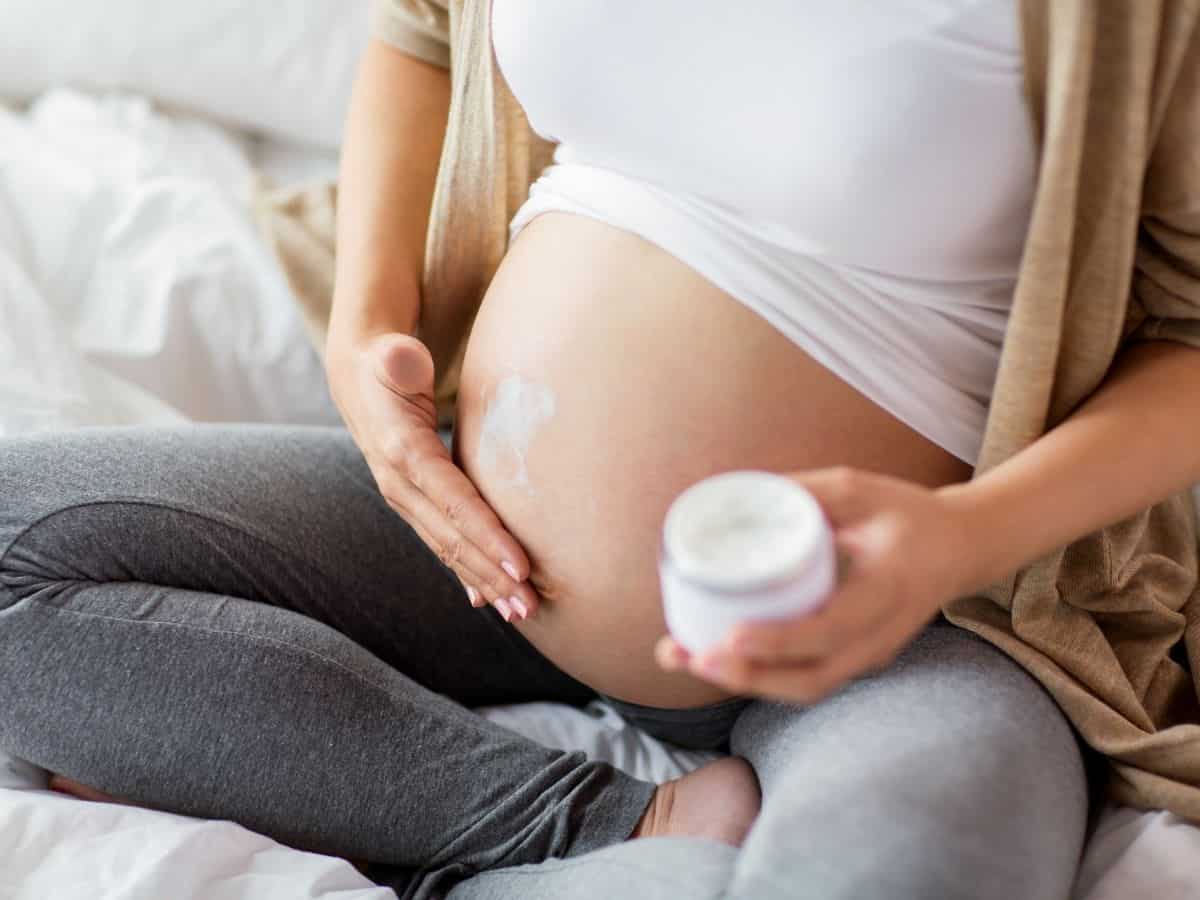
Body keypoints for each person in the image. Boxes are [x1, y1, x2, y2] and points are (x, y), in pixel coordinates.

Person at [3, 1, 1199, 898]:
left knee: (914, 869)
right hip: (467, 538)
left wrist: (956, 541)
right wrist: (364, 333)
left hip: (897, 629)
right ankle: (592, 830)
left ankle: (367, 797)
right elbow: (420, 32)